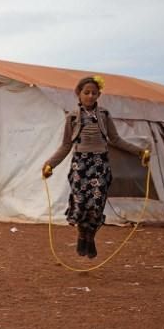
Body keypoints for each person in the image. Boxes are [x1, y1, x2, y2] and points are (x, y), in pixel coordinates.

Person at [42, 75, 150, 259]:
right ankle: (81, 235)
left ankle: (90, 237)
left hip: (100, 164)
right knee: (81, 203)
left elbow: (116, 140)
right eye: (86, 92)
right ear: (79, 94)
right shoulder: (72, 117)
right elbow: (66, 145)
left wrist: (139, 152)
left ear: (99, 95)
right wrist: (50, 164)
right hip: (80, 165)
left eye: (94, 93)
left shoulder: (104, 115)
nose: (90, 96)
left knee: (96, 204)